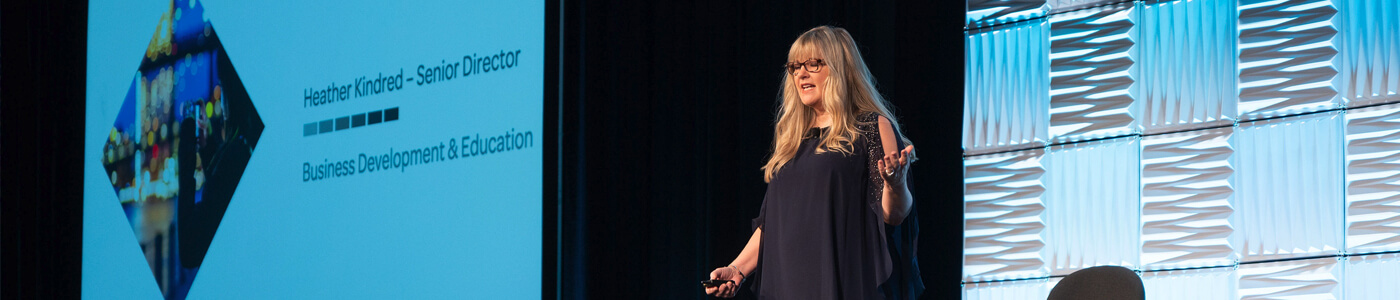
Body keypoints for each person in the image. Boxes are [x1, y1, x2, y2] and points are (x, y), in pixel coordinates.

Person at [705, 25, 922, 299]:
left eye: (813, 64)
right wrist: (737, 268)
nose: (801, 74)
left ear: (839, 68)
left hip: (843, 282)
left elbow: (894, 215)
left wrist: (896, 184)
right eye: (795, 66)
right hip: (787, 283)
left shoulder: (869, 128)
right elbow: (771, 222)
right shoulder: (792, 139)